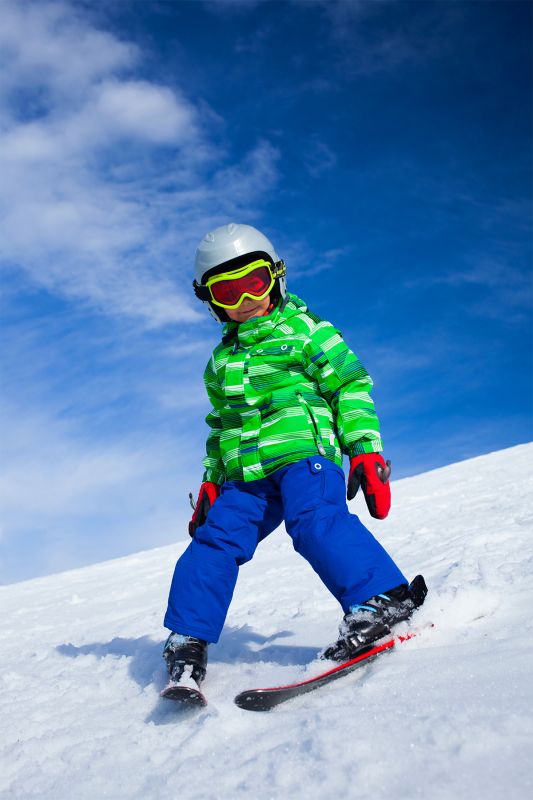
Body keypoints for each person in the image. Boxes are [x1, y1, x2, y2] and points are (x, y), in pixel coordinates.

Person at [162, 223, 427, 690]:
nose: (244, 300)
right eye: (228, 291)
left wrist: (365, 450)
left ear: (276, 277)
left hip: (307, 454)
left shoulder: (309, 331)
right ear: (211, 301)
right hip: (246, 474)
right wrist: (211, 479)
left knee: (314, 520)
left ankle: (383, 599)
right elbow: (222, 425)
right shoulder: (219, 364)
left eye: (254, 283)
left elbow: (349, 386)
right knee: (214, 542)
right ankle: (187, 637)